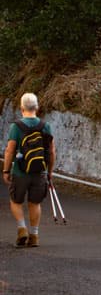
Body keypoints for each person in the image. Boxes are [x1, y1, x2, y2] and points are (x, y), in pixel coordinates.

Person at [3, 93, 55, 248]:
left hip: (20, 171)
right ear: (37, 108)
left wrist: (6, 170)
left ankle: (21, 228)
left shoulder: (16, 126)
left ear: (21, 108)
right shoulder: (45, 126)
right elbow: (51, 151)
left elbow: (10, 150)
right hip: (40, 171)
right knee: (35, 203)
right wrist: (49, 171)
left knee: (15, 201)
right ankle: (34, 235)